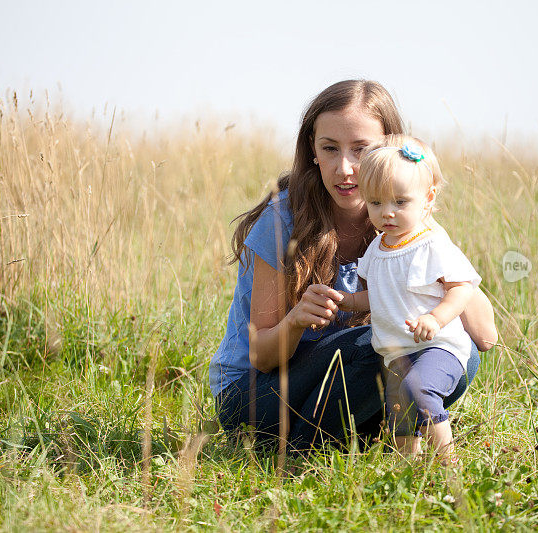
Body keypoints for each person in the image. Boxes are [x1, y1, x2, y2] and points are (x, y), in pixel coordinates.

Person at [208, 80, 497, 452]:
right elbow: (261, 357)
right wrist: (295, 320)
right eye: (329, 149)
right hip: (256, 398)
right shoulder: (282, 220)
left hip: (343, 382)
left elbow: (484, 336)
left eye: (362, 150)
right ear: (312, 150)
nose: (345, 169)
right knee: (377, 346)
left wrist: (431, 234)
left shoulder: (404, 222)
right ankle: (300, 451)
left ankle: (355, 440)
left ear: (388, 152)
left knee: (458, 354)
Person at [338, 134, 480, 462]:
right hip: (397, 352)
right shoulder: (378, 248)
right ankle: (405, 472)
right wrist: (347, 301)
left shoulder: (432, 244)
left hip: (438, 345)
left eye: (400, 202)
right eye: (376, 203)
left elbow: (461, 288)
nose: (387, 213)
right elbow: (377, 297)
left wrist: (435, 318)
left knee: (421, 391)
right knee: (399, 416)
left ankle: (448, 466)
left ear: (427, 199)